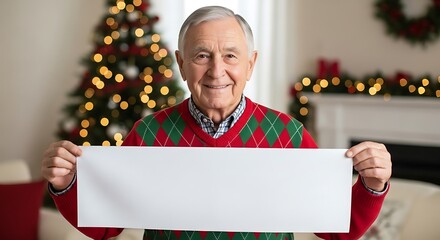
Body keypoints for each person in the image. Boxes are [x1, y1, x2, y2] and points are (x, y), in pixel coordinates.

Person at [42, 6, 392, 240]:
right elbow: (105, 227)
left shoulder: (288, 135)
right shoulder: (148, 133)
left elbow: (336, 230)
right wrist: (66, 185)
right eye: (201, 56)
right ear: (181, 63)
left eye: (230, 55)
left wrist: (372, 186)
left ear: (250, 63)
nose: (216, 70)